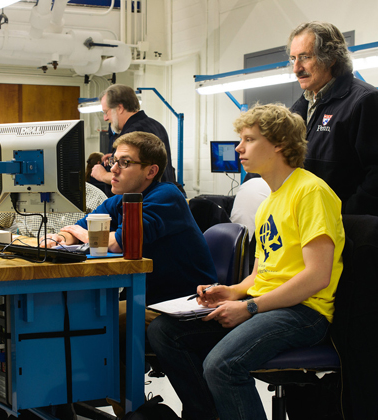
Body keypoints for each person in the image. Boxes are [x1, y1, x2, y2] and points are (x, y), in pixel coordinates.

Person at [147, 104, 345, 420]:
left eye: (249, 139)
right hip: (267, 304)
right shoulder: (269, 203)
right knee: (163, 332)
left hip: (303, 311)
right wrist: (232, 292)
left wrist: (250, 307)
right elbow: (261, 272)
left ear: (279, 144)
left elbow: (317, 276)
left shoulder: (310, 192)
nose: (239, 148)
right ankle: (206, 414)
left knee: (223, 366)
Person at [43, 131, 217, 417]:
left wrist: (88, 235)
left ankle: (144, 410)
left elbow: (118, 241)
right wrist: (62, 238)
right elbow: (82, 226)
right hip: (149, 300)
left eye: (125, 162)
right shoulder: (122, 199)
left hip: (183, 305)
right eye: (114, 161)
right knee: (84, 318)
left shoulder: (167, 196)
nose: (113, 169)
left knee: (95, 322)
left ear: (151, 170)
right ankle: (130, 409)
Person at [288, 21, 378, 222]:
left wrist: (343, 216)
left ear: (332, 57)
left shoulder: (364, 101)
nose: (296, 68)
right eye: (293, 59)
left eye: (305, 57)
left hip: (349, 232)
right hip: (309, 226)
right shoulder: (300, 108)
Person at [90, 85, 177, 190]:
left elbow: (130, 178)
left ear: (120, 108)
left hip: (143, 201)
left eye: (106, 112)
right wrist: (118, 157)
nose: (105, 118)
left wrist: (102, 175)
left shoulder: (133, 134)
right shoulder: (156, 125)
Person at [0, 182, 108, 237]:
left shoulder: (93, 198)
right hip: (27, 272)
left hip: (76, 276)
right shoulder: (20, 192)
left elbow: (108, 247)